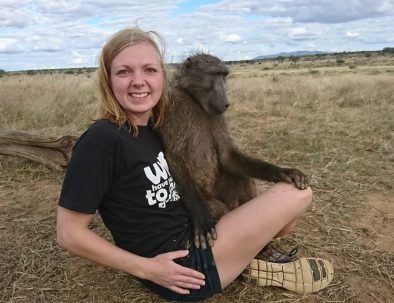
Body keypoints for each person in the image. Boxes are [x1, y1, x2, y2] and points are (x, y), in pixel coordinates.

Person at [56, 27, 315, 302]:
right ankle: (248, 258)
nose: (139, 81)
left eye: (150, 70)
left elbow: (226, 157)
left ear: (163, 76)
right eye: (124, 72)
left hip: (191, 242)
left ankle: (245, 257)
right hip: (184, 265)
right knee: (299, 194)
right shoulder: (102, 139)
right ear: (107, 79)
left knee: (279, 205)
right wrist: (148, 269)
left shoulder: (153, 124)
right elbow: (68, 234)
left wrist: (275, 172)